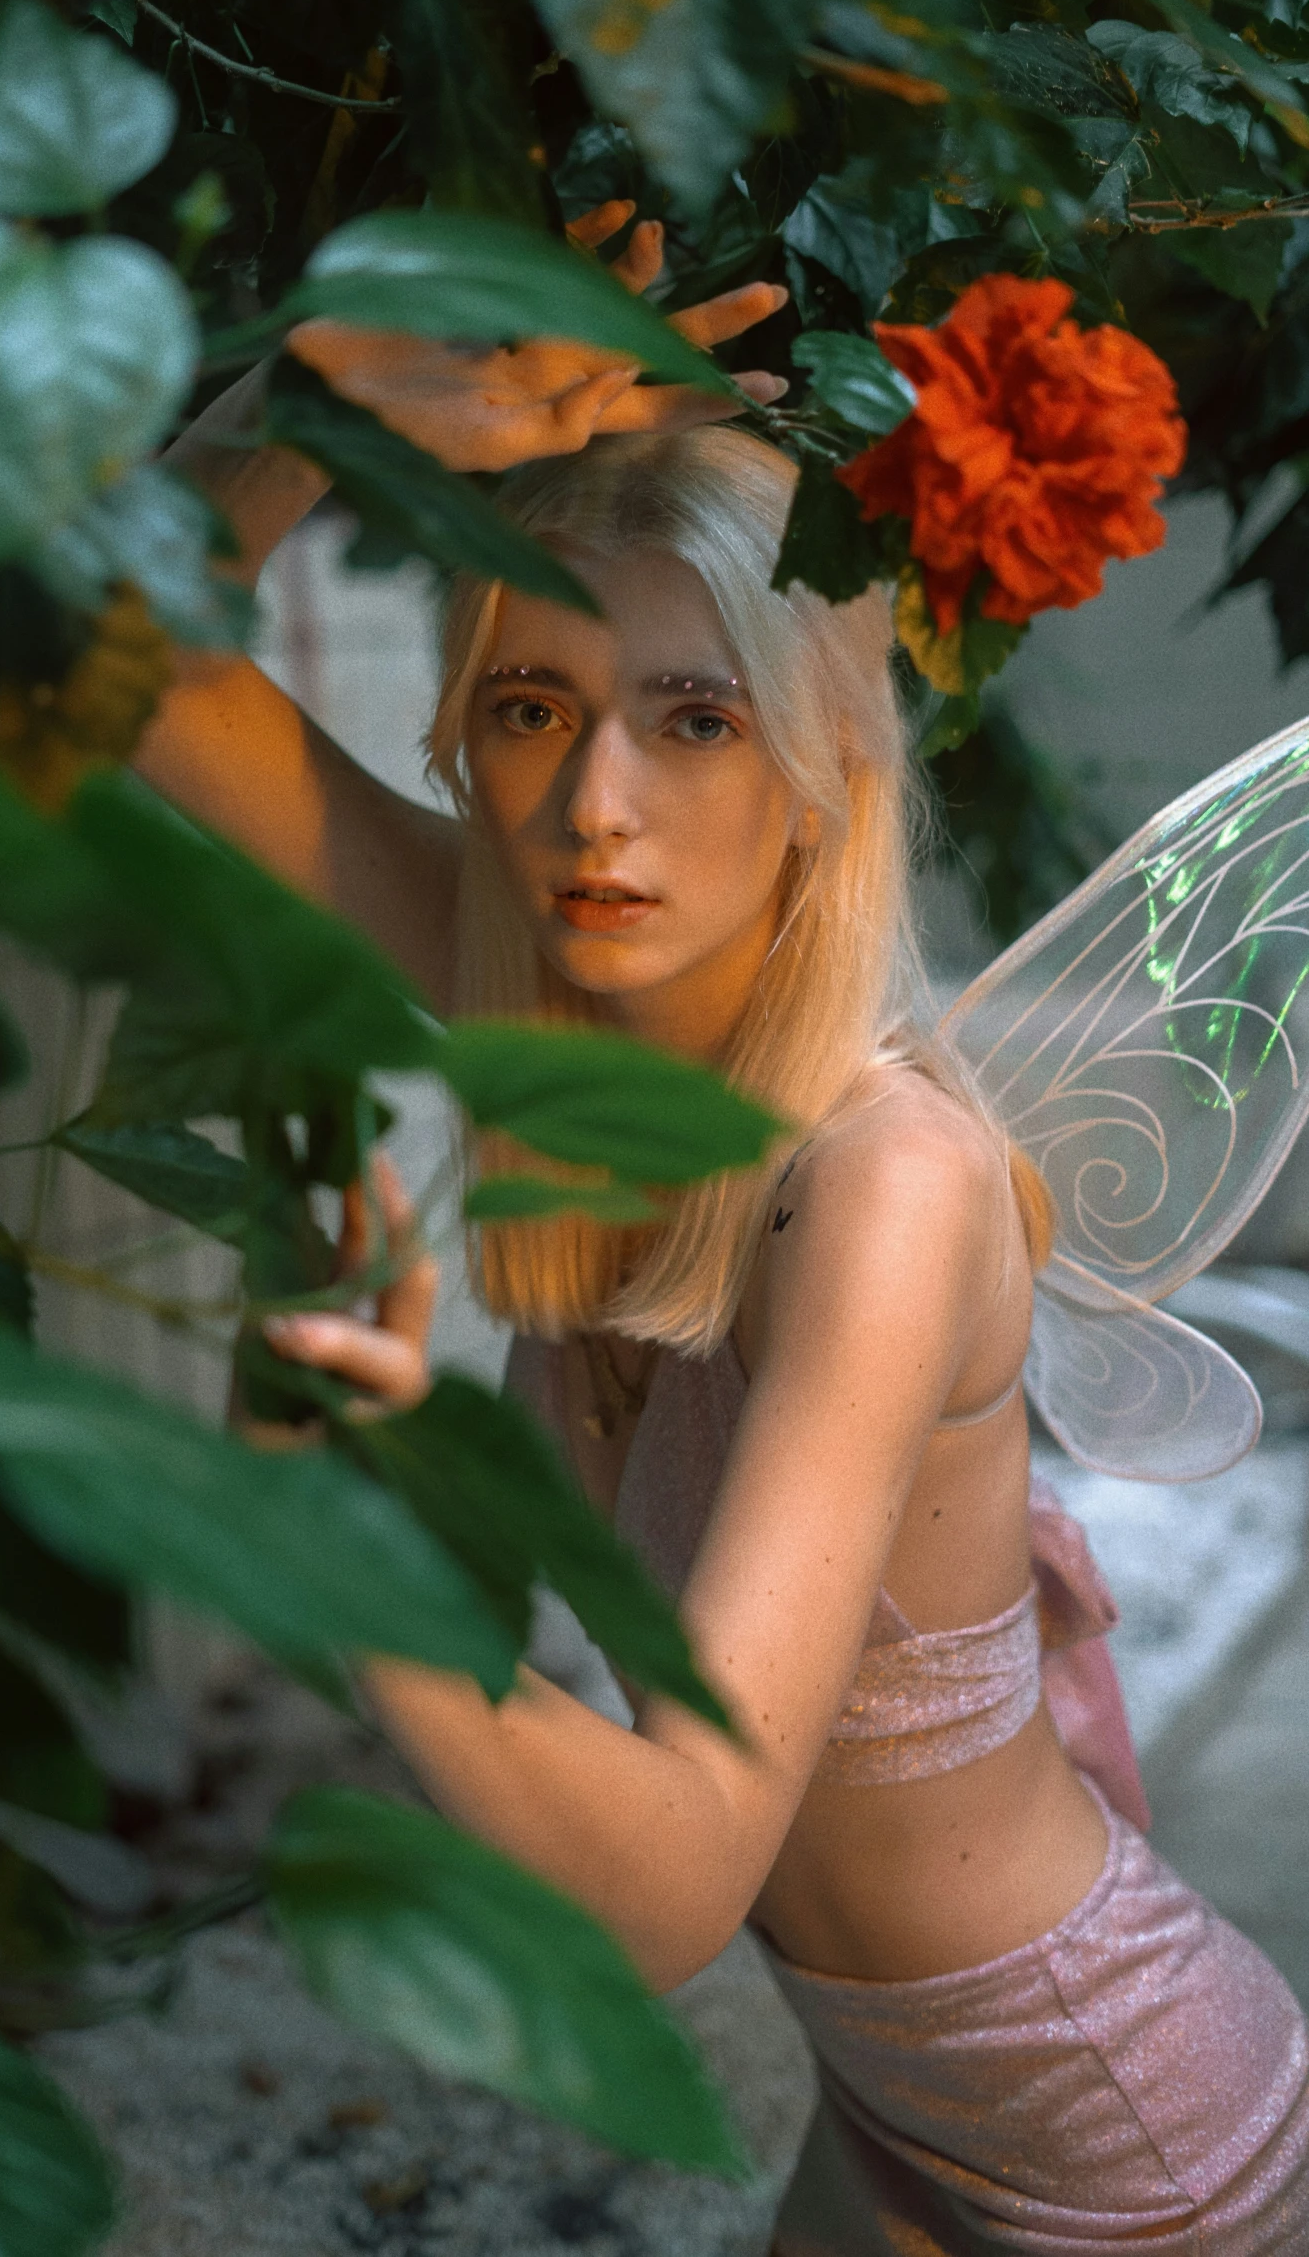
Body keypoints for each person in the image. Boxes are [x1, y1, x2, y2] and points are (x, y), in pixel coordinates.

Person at [132, 206, 1309, 2252]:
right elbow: (110, 669)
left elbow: (673, 1877)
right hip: (885, 2112)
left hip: (1129, 2156)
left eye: (693, 717)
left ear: (822, 763)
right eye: (529, 706)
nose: (600, 804)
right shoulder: (547, 996)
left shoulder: (882, 1187)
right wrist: (325, 386)